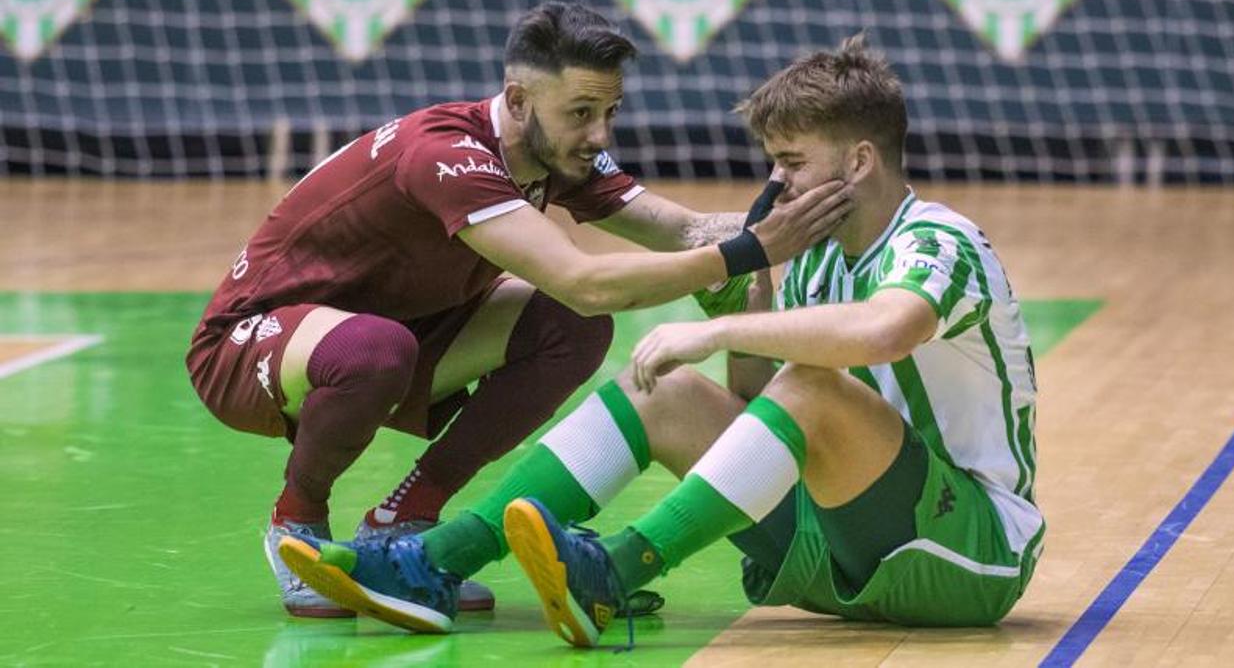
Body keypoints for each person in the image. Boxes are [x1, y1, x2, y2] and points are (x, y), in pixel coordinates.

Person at [275, 32, 1043, 644]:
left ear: (861, 161)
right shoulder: (806, 256)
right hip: (832, 548)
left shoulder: (938, 238)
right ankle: (432, 565)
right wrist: (755, 292)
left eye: (791, 163)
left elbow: (883, 331)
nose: (775, 186)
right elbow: (756, 415)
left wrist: (724, 326)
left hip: (964, 557)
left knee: (808, 376)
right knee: (667, 392)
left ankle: (614, 570)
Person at [186, 2, 850, 620]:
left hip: (402, 336)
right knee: (384, 348)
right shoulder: (446, 154)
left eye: (609, 112)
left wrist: (814, 215)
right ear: (517, 100)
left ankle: (405, 524)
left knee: (570, 327)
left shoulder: (556, 152)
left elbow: (683, 233)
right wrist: (746, 254)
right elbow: (585, 278)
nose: (599, 134)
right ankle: (295, 522)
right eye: (582, 112)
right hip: (250, 348)